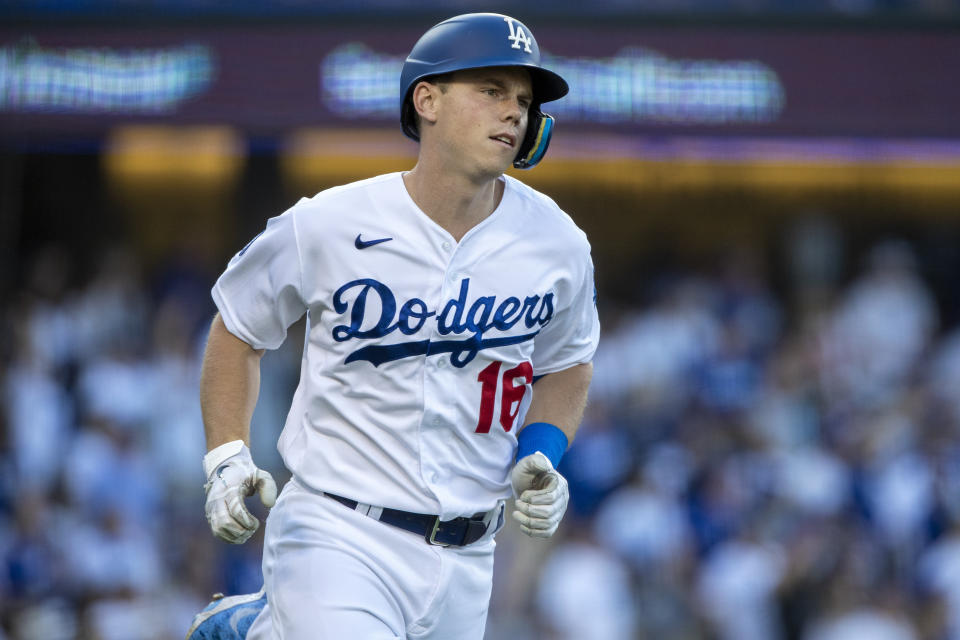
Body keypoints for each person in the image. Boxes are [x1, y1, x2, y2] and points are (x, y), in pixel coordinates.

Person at [186, 12, 599, 640]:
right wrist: (226, 455)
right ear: (426, 100)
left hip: (470, 552)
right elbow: (239, 327)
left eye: (522, 99)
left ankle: (259, 631)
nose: (513, 112)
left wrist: (543, 451)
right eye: (491, 90)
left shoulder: (557, 242)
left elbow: (568, 360)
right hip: (339, 530)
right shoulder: (330, 222)